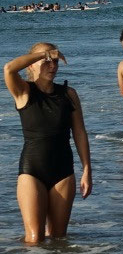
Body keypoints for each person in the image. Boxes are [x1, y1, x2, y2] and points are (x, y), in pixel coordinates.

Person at [5, 43, 92, 243]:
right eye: (45, 61)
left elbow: (79, 132)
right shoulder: (24, 91)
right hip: (32, 171)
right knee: (34, 239)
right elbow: (9, 68)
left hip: (63, 171)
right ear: (31, 65)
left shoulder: (69, 94)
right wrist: (44, 53)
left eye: (54, 61)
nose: (52, 65)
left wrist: (87, 169)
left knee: (59, 239)